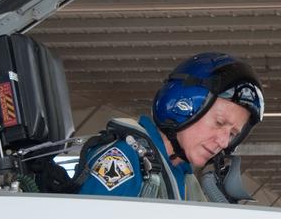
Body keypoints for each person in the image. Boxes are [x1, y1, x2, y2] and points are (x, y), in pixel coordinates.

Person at [78, 52, 263, 202]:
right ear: (184, 107)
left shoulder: (181, 176)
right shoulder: (124, 162)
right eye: (219, 123)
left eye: (232, 134)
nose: (223, 142)